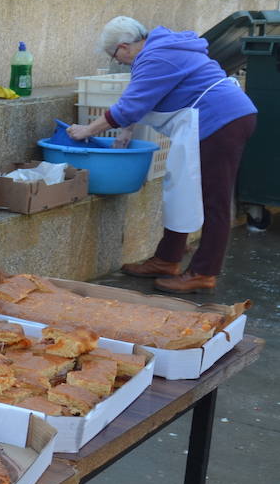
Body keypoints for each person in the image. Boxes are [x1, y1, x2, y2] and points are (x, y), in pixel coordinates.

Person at [68, 16, 257, 292]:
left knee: (213, 198)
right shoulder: (161, 49)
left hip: (220, 120)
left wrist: (86, 131)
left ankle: (204, 272)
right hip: (219, 117)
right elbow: (144, 96)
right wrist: (126, 131)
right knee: (180, 188)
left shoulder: (154, 58)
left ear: (123, 47)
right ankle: (167, 259)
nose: (119, 62)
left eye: (116, 57)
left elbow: (129, 106)